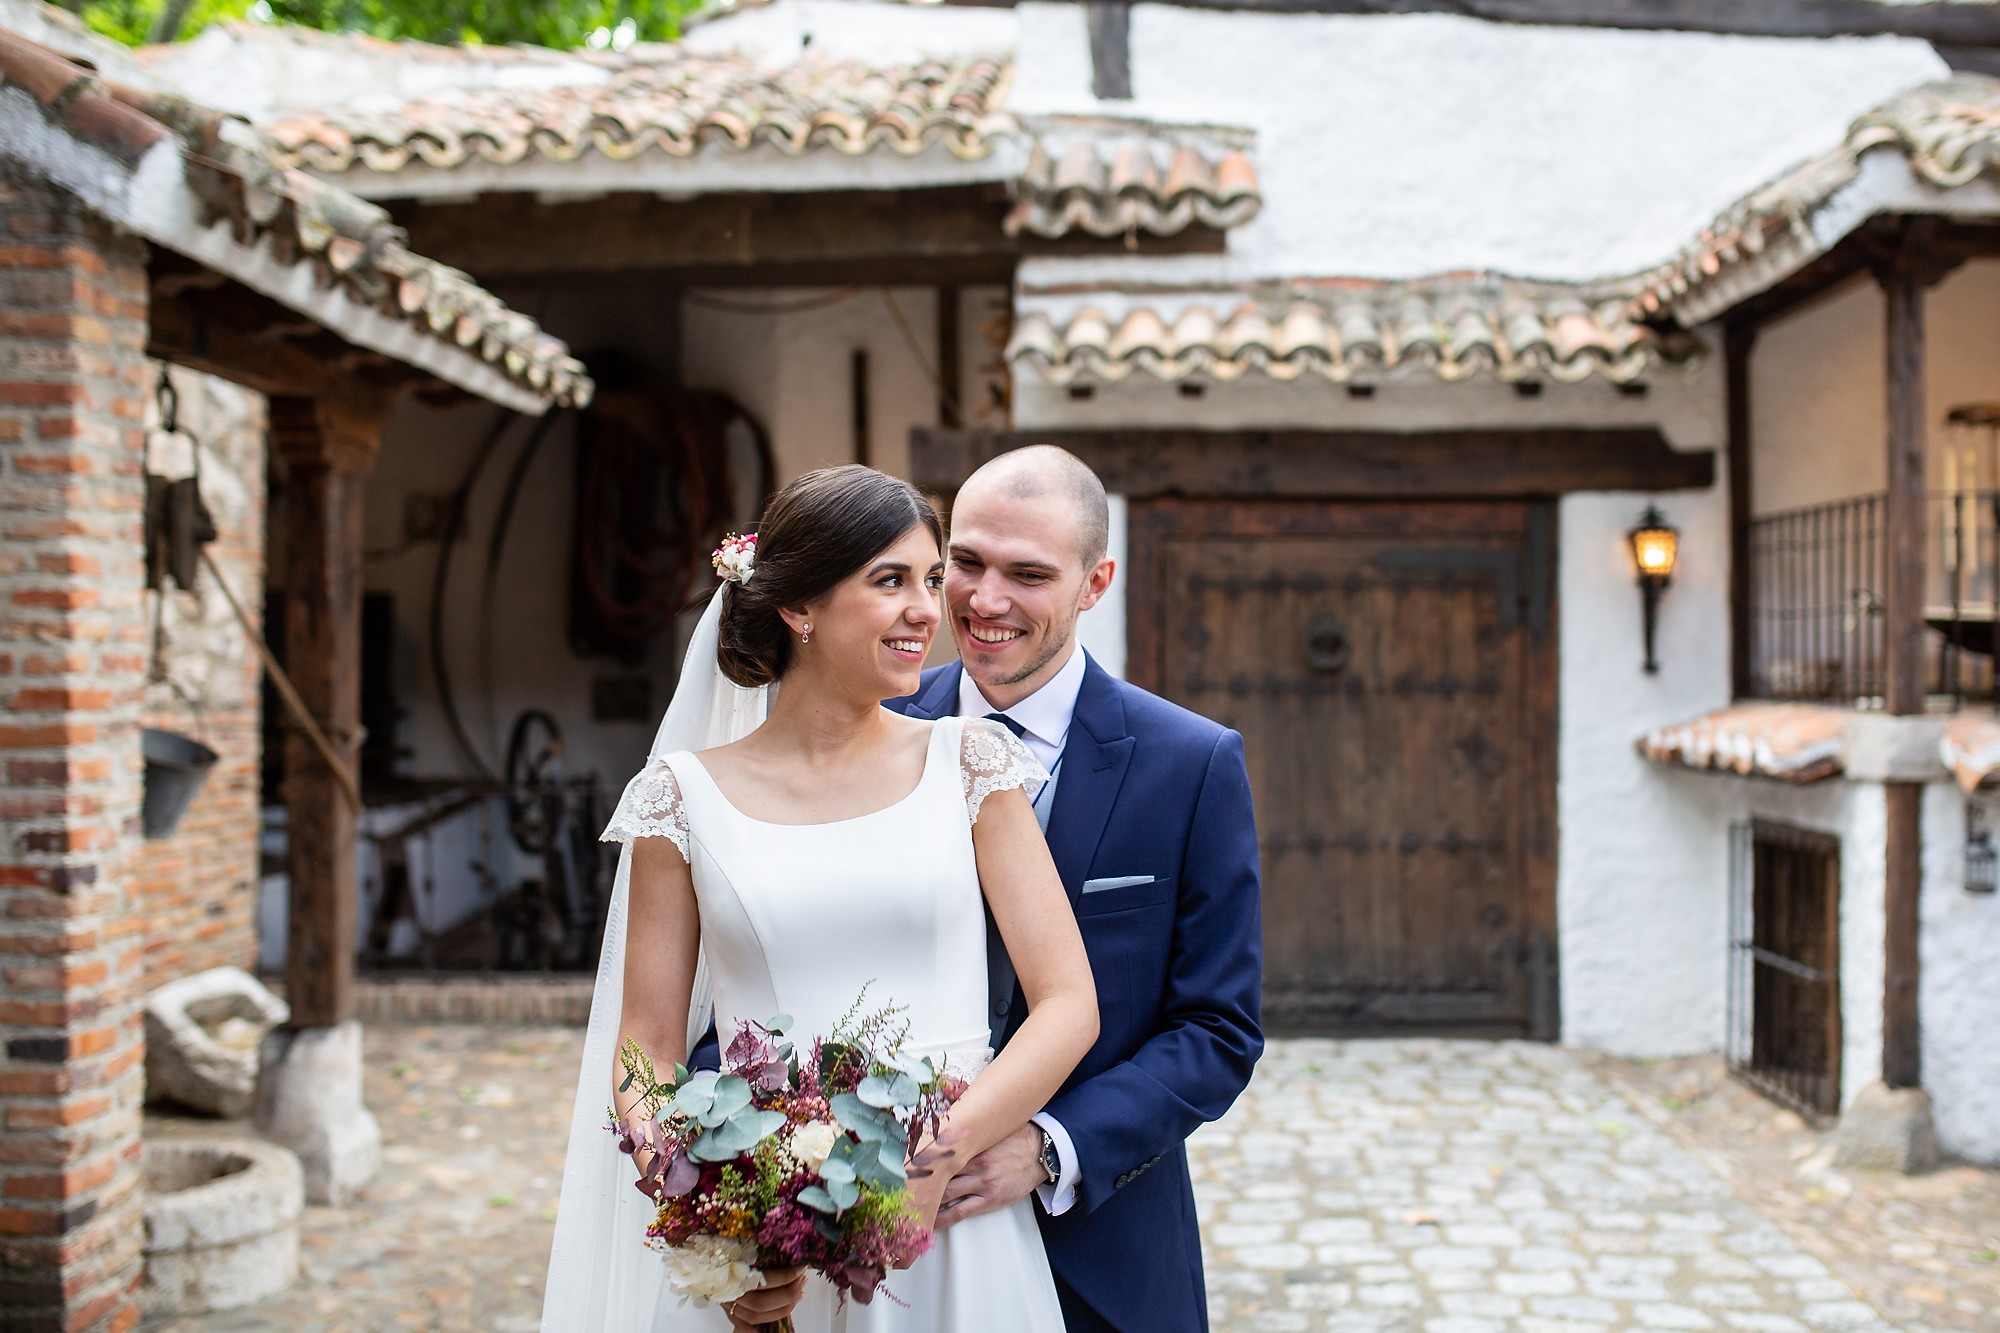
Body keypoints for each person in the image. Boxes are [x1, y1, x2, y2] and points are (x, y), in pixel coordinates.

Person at [541, 465, 1099, 1332]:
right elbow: (645, 1049)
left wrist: (931, 1164)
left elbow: (1068, 1004)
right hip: (764, 1229)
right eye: (890, 581)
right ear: (799, 608)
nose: (929, 607)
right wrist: (707, 1208)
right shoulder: (678, 800)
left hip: (946, 1227)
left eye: (929, 576)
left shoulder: (971, 763)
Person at [890, 445, 1264, 1333]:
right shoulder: (873, 731)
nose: (984, 602)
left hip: (1105, 1258)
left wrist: (1050, 1150)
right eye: (968, 564)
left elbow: (1218, 1025)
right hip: (884, 1249)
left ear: (1095, 582)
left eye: (1028, 574)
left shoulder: (1192, 763)